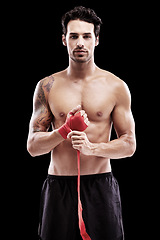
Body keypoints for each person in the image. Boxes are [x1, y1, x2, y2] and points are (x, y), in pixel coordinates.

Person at [27, 6, 136, 240]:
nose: (80, 43)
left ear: (96, 40)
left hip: (100, 187)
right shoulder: (47, 86)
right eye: (74, 36)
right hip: (58, 187)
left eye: (86, 36)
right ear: (64, 39)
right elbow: (33, 147)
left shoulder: (116, 86)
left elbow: (129, 144)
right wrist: (63, 130)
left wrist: (92, 148)